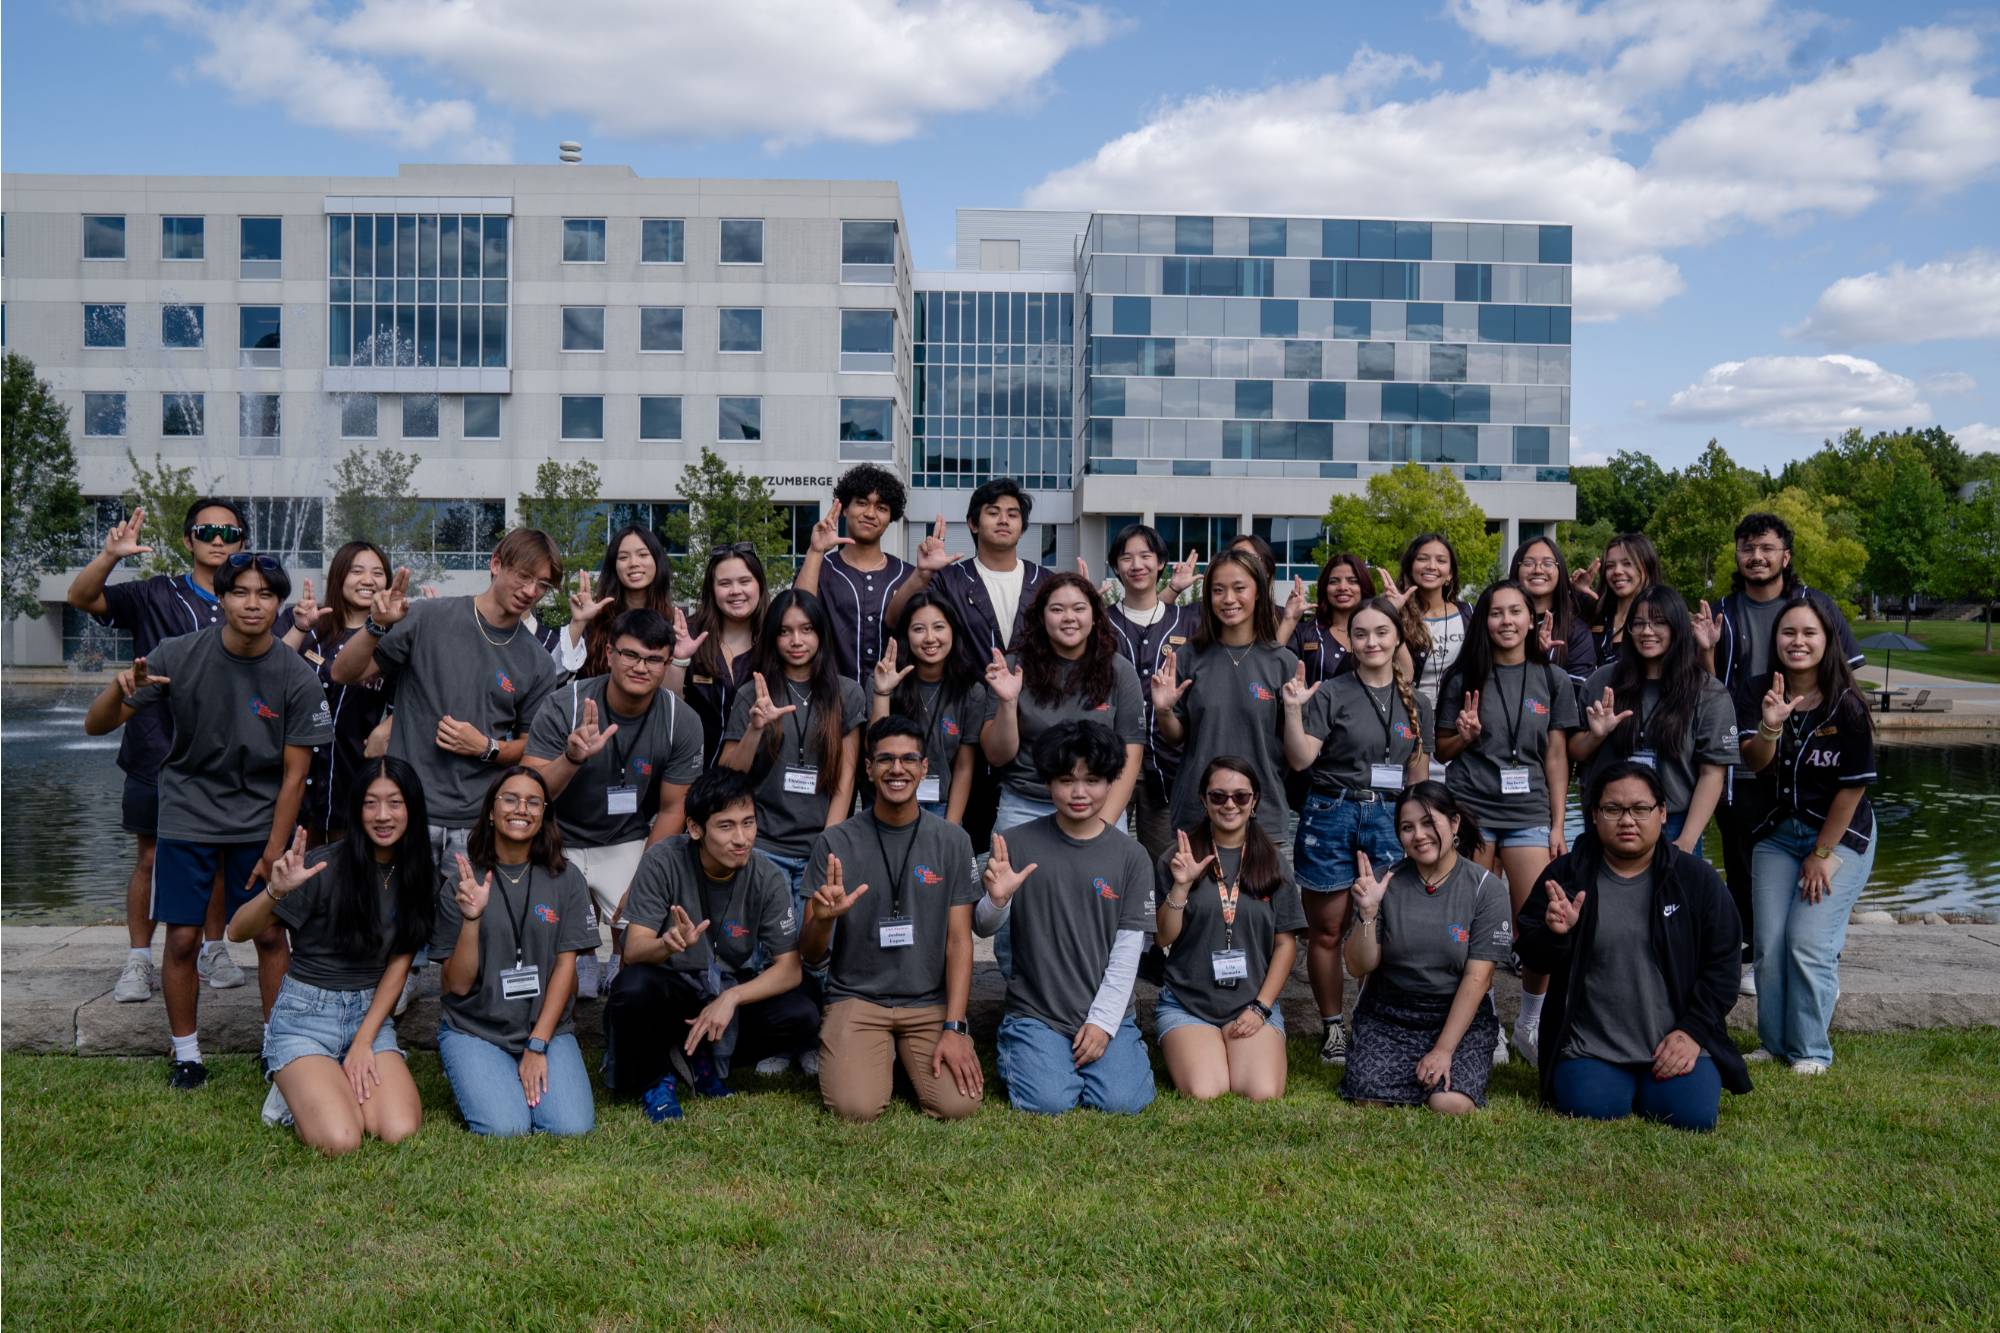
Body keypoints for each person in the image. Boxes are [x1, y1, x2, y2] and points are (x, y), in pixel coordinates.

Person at [84, 552, 332, 1089]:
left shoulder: (296, 675)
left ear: (279, 604)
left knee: (269, 937)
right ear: (220, 599)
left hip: (260, 821)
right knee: (182, 940)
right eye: (240, 592)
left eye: (265, 594)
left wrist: (272, 851)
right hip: (188, 814)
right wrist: (117, 689)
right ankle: (187, 1055)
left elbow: (294, 778)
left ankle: (276, 1048)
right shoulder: (178, 653)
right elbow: (94, 725)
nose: (252, 603)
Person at [328, 529, 566, 920]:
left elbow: (533, 747)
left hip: (475, 820)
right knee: (395, 929)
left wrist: (486, 747)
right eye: (523, 576)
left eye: (541, 585)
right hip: (409, 810)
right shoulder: (429, 617)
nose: (530, 590)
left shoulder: (536, 661)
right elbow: (345, 672)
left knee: (464, 938)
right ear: (495, 564)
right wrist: (374, 626)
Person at [68, 499, 250, 1002]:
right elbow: (82, 597)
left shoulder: (249, 599)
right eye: (206, 530)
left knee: (213, 858)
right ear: (189, 539)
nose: (218, 539)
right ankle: (138, 960)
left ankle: (215, 949)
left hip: (223, 756)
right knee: (149, 857)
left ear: (242, 543)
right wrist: (110, 558)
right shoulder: (156, 593)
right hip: (156, 748)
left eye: (229, 532)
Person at [1516, 762, 1751, 1130]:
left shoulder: (1696, 880)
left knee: (1690, 1116)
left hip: (1674, 1038)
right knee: (1591, 1107)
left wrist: (1693, 1032)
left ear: (1661, 814)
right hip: (1590, 1043)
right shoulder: (1565, 875)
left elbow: (1723, 965)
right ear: (1594, 815)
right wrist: (1555, 934)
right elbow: (1532, 956)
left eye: (1640, 809)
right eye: (1613, 809)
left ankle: (1683, 1058)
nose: (1627, 820)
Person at [225, 758, 433, 1153]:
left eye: (395, 803)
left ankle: (326, 1083)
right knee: (342, 1139)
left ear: (412, 808)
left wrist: (363, 1041)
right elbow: (236, 931)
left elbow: (399, 963)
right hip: (305, 1017)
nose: (383, 815)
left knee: (398, 1129)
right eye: (371, 803)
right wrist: (276, 891)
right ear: (356, 810)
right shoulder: (324, 866)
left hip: (368, 1015)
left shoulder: (419, 873)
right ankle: (297, 1090)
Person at [1707, 512, 1865, 997]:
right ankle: (1758, 956)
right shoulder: (1720, 611)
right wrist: (1703, 650)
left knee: (1813, 861)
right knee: (1745, 863)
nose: (1756, 557)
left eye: (1767, 548)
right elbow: (1704, 685)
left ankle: (1819, 957)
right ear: (1737, 555)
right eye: (1747, 548)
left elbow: (1846, 678)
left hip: (1807, 763)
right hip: (1746, 755)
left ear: (1785, 556)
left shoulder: (1815, 607)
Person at [799, 716, 983, 1122]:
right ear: (868, 768)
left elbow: (959, 942)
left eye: (907, 759)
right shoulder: (835, 842)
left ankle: (898, 1058)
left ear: (924, 766)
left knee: (959, 1105)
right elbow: (811, 956)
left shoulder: (953, 841)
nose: (896, 769)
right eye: (884, 760)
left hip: (927, 1002)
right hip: (857, 998)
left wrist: (955, 1026)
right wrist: (824, 919)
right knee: (855, 1108)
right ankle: (876, 1059)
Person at [603, 768, 817, 1107]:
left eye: (748, 822)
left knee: (803, 1012)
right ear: (695, 828)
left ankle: (699, 1056)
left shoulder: (766, 875)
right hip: (675, 989)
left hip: (726, 990)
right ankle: (659, 1073)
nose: (741, 838)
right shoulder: (662, 860)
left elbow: (789, 969)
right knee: (632, 987)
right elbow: (634, 949)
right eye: (726, 826)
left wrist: (732, 999)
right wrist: (666, 944)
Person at [1282, 597, 1434, 1064]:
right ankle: (1333, 1029)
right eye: (1362, 633)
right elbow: (1301, 759)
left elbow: (1419, 777)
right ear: (1352, 640)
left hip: (1390, 818)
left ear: (1397, 638)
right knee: (1327, 929)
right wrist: (1291, 710)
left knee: (1383, 925)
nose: (1372, 642)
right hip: (1333, 813)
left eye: (1382, 633)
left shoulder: (1418, 701)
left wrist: (1423, 828)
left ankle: (1372, 1021)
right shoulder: (1331, 693)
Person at [977, 721, 1156, 1116]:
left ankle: (1106, 1053)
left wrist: (1104, 1023)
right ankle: (1032, 1052)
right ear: (1048, 783)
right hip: (1036, 1013)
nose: (1078, 793)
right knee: (1048, 1102)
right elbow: (982, 925)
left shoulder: (1131, 857)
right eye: (1065, 780)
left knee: (1123, 1102)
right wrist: (997, 900)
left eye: (1092, 780)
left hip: (1106, 1011)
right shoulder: (1017, 843)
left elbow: (1128, 952)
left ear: (1111, 783)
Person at [524, 609, 704, 998]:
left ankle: (619, 966)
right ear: (609, 653)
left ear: (667, 663)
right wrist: (571, 759)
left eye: (654, 659)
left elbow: (674, 808)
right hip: (560, 835)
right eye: (631, 655)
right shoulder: (565, 705)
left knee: (641, 930)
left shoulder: (681, 721)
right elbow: (530, 793)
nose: (641, 667)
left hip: (625, 835)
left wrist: (643, 883)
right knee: (543, 929)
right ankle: (582, 955)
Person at [1435, 578, 1579, 1066]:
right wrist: (1466, 735)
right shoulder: (1463, 677)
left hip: (1529, 815)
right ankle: (1487, 1021)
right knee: (1478, 925)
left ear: (1531, 619)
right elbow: (1442, 749)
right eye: (1496, 613)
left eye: (1516, 612)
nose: (1506, 622)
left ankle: (1531, 1021)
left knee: (1536, 923)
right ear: (1484, 622)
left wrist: (1558, 824)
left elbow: (1557, 757)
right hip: (1473, 810)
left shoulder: (1553, 679)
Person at [1738, 598, 1878, 1075]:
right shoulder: (1758, 690)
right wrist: (1770, 727)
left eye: (1809, 633)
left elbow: (1852, 788)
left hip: (1838, 835)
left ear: (1828, 641)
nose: (1798, 642)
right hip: (1777, 834)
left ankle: (1812, 1051)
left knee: (1807, 942)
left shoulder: (1849, 704)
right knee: (1770, 945)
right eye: (1788, 633)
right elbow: (1755, 763)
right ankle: (1774, 1044)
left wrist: (1822, 854)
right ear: (1775, 640)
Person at [431, 767, 598, 1137]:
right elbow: (455, 986)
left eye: (533, 802)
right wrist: (471, 918)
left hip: (545, 1030)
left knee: (570, 1127)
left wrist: (537, 1045)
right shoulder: (462, 883)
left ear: (543, 815)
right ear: (491, 811)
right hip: (476, 1029)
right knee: (506, 1128)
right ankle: (479, 1068)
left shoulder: (567, 879)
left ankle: (516, 1069)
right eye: (510, 798)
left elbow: (565, 969)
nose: (521, 808)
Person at [1339, 782, 1509, 1113]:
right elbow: (1358, 966)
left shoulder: (1486, 889)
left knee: (1450, 1103)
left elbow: (1478, 979)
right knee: (1370, 1098)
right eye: (1407, 827)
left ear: (1454, 824)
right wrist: (1369, 913)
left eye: (1429, 823)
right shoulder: (1384, 881)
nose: (1419, 835)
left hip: (1458, 1018)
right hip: (1389, 1015)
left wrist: (1443, 1050)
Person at [1153, 758, 1303, 1102]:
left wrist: (1261, 1008)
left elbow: (1285, 944)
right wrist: (1180, 887)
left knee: (1262, 1092)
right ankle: (1205, 1046)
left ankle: (1236, 1045)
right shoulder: (1177, 857)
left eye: (1240, 796)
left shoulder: (1274, 862)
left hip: (1251, 1003)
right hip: (1188, 1003)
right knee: (1207, 1092)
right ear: (1204, 801)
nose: (1230, 804)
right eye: (1218, 796)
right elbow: (1163, 937)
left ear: (1255, 801)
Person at [720, 589, 866, 908]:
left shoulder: (847, 694)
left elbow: (847, 778)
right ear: (772, 637)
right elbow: (729, 774)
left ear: (821, 634)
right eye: (785, 631)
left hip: (821, 845)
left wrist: (829, 844)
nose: (796, 641)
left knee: (814, 951)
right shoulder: (753, 694)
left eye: (806, 629)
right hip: (764, 846)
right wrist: (754, 729)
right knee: (769, 953)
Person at [1569, 587, 1735, 855]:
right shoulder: (1602, 681)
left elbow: (1712, 774)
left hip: (1674, 823)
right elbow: (1575, 751)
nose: (1647, 631)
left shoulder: (1707, 691)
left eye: (1659, 623)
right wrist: (1596, 735)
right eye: (1639, 623)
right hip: (1609, 820)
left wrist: (1688, 840)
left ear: (1678, 628)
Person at [1152, 549, 1298, 850]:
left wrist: (1297, 712)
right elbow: (1176, 736)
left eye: (1239, 588)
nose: (1228, 599)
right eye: (1218, 590)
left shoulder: (1283, 662)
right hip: (1197, 809)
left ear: (1258, 591)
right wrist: (1164, 711)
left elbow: (1295, 751)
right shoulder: (1188, 657)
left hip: (1263, 813)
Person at [983, 572, 1144, 832]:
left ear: (1094, 617)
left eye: (1079, 609)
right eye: (1057, 609)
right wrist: (1008, 703)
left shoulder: (1120, 671)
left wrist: (1103, 825)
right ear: (1041, 617)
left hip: (1099, 805)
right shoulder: (1011, 669)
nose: (1069, 617)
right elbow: (997, 756)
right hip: (1026, 804)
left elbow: (1131, 756)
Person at [281, 539, 392, 845]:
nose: (368, 580)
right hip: (290, 768)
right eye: (357, 571)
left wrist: (390, 724)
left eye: (378, 573)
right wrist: (300, 628)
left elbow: (418, 696)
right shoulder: (308, 622)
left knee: (344, 870)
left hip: (351, 769)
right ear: (339, 575)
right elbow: (266, 674)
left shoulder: (394, 638)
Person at [1104, 523, 1199, 862]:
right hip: (1108, 764)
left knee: (1167, 862)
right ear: (1116, 566)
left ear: (1161, 562)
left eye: (1146, 556)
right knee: (1103, 857)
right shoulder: (1099, 623)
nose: (1136, 565)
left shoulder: (1189, 622)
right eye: (1126, 557)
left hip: (1169, 766)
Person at [869, 592, 989, 822]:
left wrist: (951, 826)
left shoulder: (971, 691)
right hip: (888, 803)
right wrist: (883, 692)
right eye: (919, 629)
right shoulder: (883, 679)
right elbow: (875, 748)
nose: (930, 638)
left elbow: (964, 767)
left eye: (939, 627)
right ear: (906, 635)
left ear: (953, 630)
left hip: (942, 809)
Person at [889, 478, 1046, 654]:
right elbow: (895, 621)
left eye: (1012, 515)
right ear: (973, 524)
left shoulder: (1045, 581)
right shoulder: (949, 580)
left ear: (1022, 528)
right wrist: (922, 574)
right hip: (969, 681)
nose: (1004, 520)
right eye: (993, 513)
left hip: (1032, 682)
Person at [795, 464, 916, 683]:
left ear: (891, 516)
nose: (870, 514)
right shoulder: (819, 568)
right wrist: (815, 551)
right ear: (845, 509)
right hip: (830, 698)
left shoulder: (908, 575)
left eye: (881, 507)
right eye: (861, 503)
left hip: (897, 702)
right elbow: (798, 616)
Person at [551, 524, 681, 679]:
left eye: (643, 555)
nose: (633, 563)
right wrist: (578, 623)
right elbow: (553, 675)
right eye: (623, 557)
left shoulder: (674, 624)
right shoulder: (595, 620)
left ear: (657, 561)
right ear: (614, 566)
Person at [682, 544, 768, 767]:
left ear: (759, 584)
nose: (735, 591)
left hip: (758, 782)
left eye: (744, 581)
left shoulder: (775, 638)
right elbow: (668, 702)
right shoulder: (689, 635)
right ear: (712, 590)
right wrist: (678, 660)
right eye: (724, 583)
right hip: (692, 774)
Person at [1395, 533, 1473, 714]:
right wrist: (1390, 614)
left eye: (1441, 560)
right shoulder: (1396, 613)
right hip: (1409, 713)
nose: (1431, 566)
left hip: (1458, 715)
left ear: (1450, 574)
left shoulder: (1469, 612)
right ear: (1410, 567)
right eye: (1422, 559)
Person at [1509, 536, 1597, 694]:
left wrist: (1541, 660)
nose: (1537, 569)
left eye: (1547, 563)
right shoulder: (1501, 623)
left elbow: (1577, 693)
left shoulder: (1576, 630)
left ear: (1560, 571)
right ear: (1517, 569)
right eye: (1528, 563)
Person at [1291, 552, 1376, 685]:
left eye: (1352, 581)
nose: (1342, 587)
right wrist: (1288, 619)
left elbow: (1406, 675)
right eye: (1334, 581)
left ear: (1364, 587)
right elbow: (1271, 669)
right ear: (1325, 588)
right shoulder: (1304, 633)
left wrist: (1393, 616)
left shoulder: (1378, 632)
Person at [1586, 533, 1663, 672]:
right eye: (1610, 566)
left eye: (1627, 564)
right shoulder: (1594, 614)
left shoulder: (1664, 618)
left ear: (1647, 566)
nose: (1617, 571)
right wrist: (1576, 594)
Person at [1225, 533, 1308, 646]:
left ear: (1267, 571)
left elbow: (1272, 662)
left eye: (1251, 558)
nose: (1242, 564)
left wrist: (1288, 622)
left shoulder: (1284, 616)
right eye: (1236, 557)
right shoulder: (1205, 614)